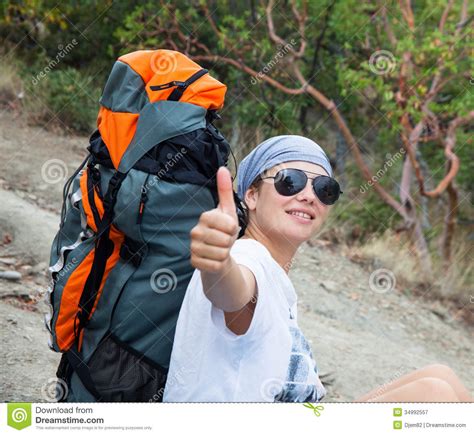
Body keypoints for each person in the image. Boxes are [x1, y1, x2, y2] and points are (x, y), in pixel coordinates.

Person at [163, 135, 473, 403]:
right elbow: (231, 294)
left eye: (325, 188)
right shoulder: (248, 258)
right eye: (290, 181)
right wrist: (217, 265)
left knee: (440, 375)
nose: (309, 195)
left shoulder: (274, 274)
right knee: (434, 394)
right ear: (252, 195)